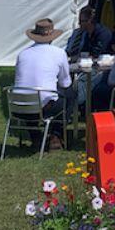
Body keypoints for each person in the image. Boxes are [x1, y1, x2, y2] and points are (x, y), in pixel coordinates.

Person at [13, 18, 72, 150]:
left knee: (30, 95)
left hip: (18, 106)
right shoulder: (59, 53)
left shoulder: (22, 54)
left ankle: (36, 137)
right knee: (70, 95)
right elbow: (65, 83)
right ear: (51, 37)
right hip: (42, 107)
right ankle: (56, 135)